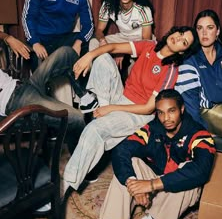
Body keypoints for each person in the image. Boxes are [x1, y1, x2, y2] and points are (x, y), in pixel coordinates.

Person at [72, 89, 216, 219]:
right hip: (152, 179)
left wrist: (152, 184)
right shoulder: (153, 128)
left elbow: (202, 170)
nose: (166, 118)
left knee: (190, 172)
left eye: (172, 111)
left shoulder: (199, 134)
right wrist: (133, 184)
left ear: (182, 110)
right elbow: (122, 150)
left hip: (175, 190)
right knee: (130, 163)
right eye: (161, 113)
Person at [62, 25, 200, 193]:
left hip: (138, 114)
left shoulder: (170, 71)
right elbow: (113, 47)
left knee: (94, 130)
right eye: (180, 33)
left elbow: (149, 108)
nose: (178, 39)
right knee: (103, 58)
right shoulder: (150, 46)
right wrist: (88, 56)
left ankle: (65, 186)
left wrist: (112, 108)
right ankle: (100, 109)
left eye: (184, 42)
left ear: (182, 52)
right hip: (121, 97)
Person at [22, 0, 97, 111]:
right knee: (39, 83)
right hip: (41, 42)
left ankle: (83, 94)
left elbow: (89, 25)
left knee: (88, 40)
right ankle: (39, 110)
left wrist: (78, 42)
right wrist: (34, 42)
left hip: (63, 40)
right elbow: (28, 17)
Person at [0, 30, 85, 153]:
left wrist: (8, 38)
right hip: (16, 101)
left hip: (25, 84)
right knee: (77, 119)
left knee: (66, 52)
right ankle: (78, 164)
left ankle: (85, 96)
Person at [175, 9, 222, 139]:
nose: (204, 33)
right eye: (199, 28)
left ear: (217, 31)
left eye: (210, 28)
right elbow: (191, 107)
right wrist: (203, 134)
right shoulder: (189, 60)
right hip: (203, 110)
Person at [90, 0, 155, 70]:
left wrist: (121, 50)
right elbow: (99, 30)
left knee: (139, 63)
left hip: (140, 39)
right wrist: (102, 40)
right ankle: (103, 71)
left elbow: (145, 40)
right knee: (94, 42)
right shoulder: (108, 5)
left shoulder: (143, 9)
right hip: (123, 37)